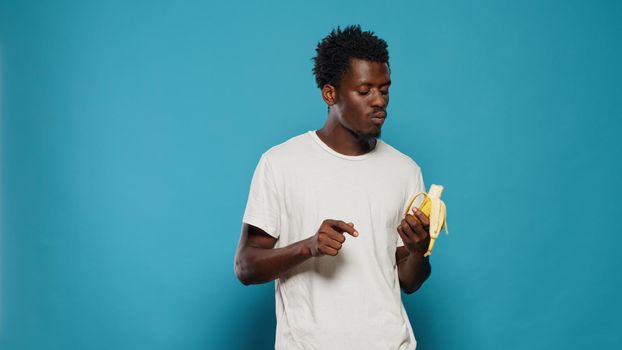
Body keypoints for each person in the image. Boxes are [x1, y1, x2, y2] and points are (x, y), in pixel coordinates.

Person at [234, 25, 431, 350]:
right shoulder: (281, 163)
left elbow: (409, 281)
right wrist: (307, 247)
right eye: (365, 91)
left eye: (385, 89)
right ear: (330, 94)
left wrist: (418, 251)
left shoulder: (405, 170)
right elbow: (245, 266)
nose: (379, 101)